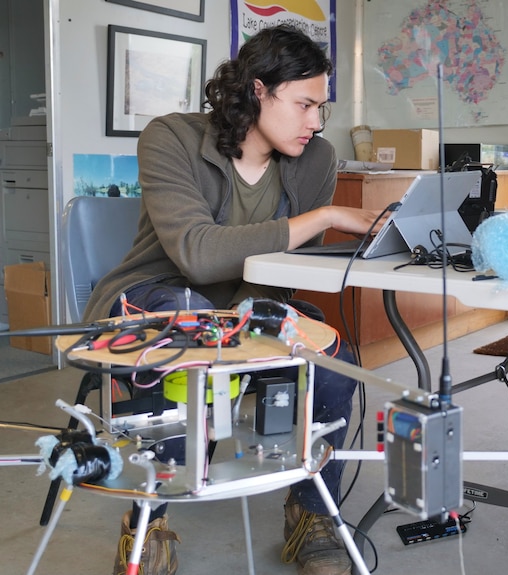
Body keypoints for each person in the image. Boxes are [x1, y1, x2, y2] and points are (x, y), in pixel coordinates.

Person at [83, 24, 383, 575]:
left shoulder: (316, 159)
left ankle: (312, 514)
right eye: (304, 105)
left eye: (322, 108)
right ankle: (150, 518)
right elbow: (195, 254)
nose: (315, 122)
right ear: (257, 91)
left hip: (250, 303)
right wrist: (324, 217)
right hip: (153, 294)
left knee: (334, 358)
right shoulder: (169, 137)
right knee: (188, 332)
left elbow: (286, 270)